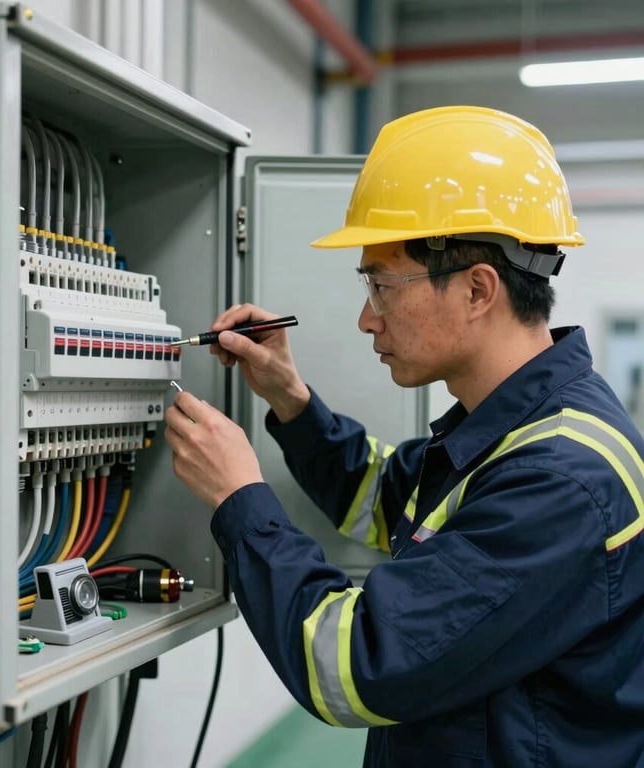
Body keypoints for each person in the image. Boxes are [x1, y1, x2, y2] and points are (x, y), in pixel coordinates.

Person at [163, 105, 644, 767]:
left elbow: (357, 667)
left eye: (383, 286)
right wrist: (289, 399)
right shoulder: (515, 433)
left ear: (478, 290)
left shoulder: (560, 479)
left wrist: (240, 499)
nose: (367, 318)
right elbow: (382, 497)